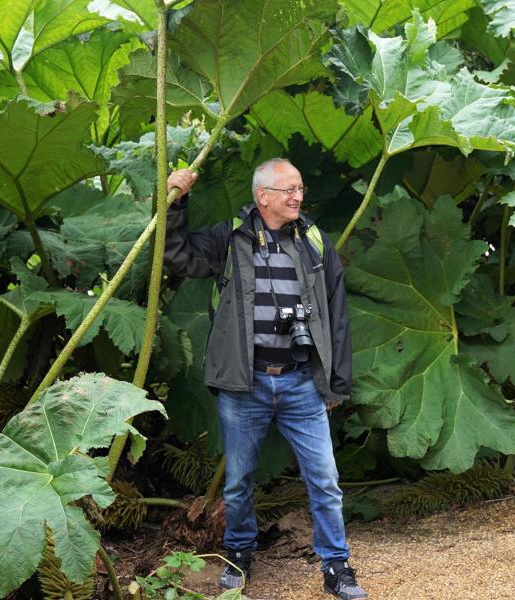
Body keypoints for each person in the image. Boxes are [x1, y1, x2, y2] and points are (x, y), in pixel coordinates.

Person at [164, 158, 366, 600]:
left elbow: (337, 315)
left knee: (325, 481)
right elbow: (178, 256)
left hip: (300, 383)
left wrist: (335, 381)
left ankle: (337, 567)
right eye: (288, 189)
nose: (297, 196)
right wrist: (177, 203)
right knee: (238, 482)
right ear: (263, 196)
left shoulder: (313, 241)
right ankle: (238, 554)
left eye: (299, 188)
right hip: (245, 385)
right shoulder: (230, 237)